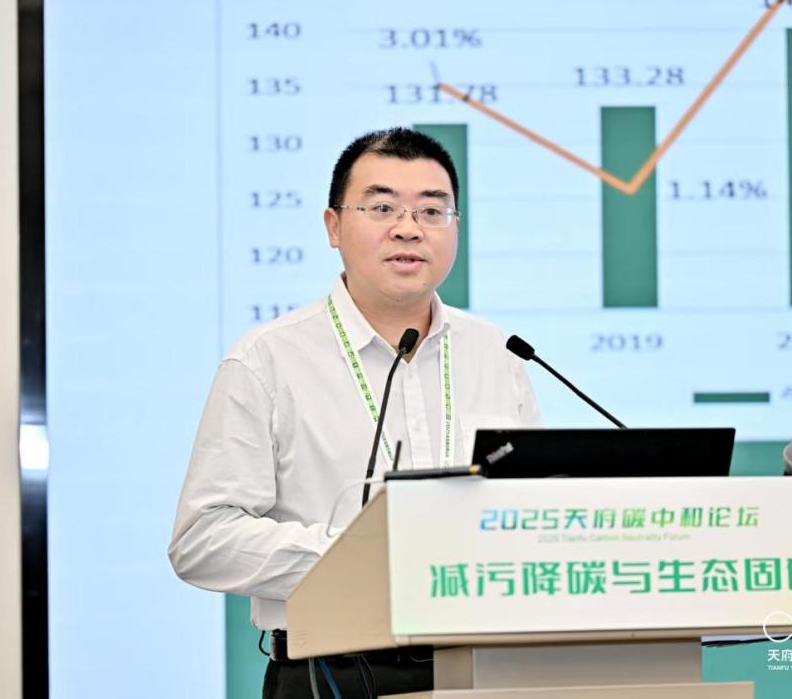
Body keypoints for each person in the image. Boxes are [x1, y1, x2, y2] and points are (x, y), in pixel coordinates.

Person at [169, 127, 542, 698]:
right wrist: (361, 555)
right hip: (332, 672)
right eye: (382, 207)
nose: (409, 228)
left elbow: (531, 513)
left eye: (432, 210)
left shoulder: (499, 354)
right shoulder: (267, 359)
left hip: (488, 670)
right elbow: (202, 541)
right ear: (334, 227)